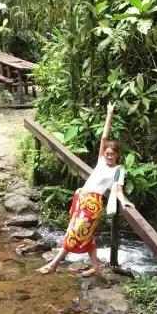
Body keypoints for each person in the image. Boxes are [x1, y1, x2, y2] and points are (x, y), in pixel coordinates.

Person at [38, 102, 133, 277]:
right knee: (84, 234)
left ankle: (53, 264)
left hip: (93, 205)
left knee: (74, 233)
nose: (108, 155)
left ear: (118, 155)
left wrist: (125, 202)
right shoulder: (101, 161)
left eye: (112, 154)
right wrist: (109, 114)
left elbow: (118, 190)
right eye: (107, 153)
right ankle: (95, 266)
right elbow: (104, 138)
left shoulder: (118, 170)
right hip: (82, 198)